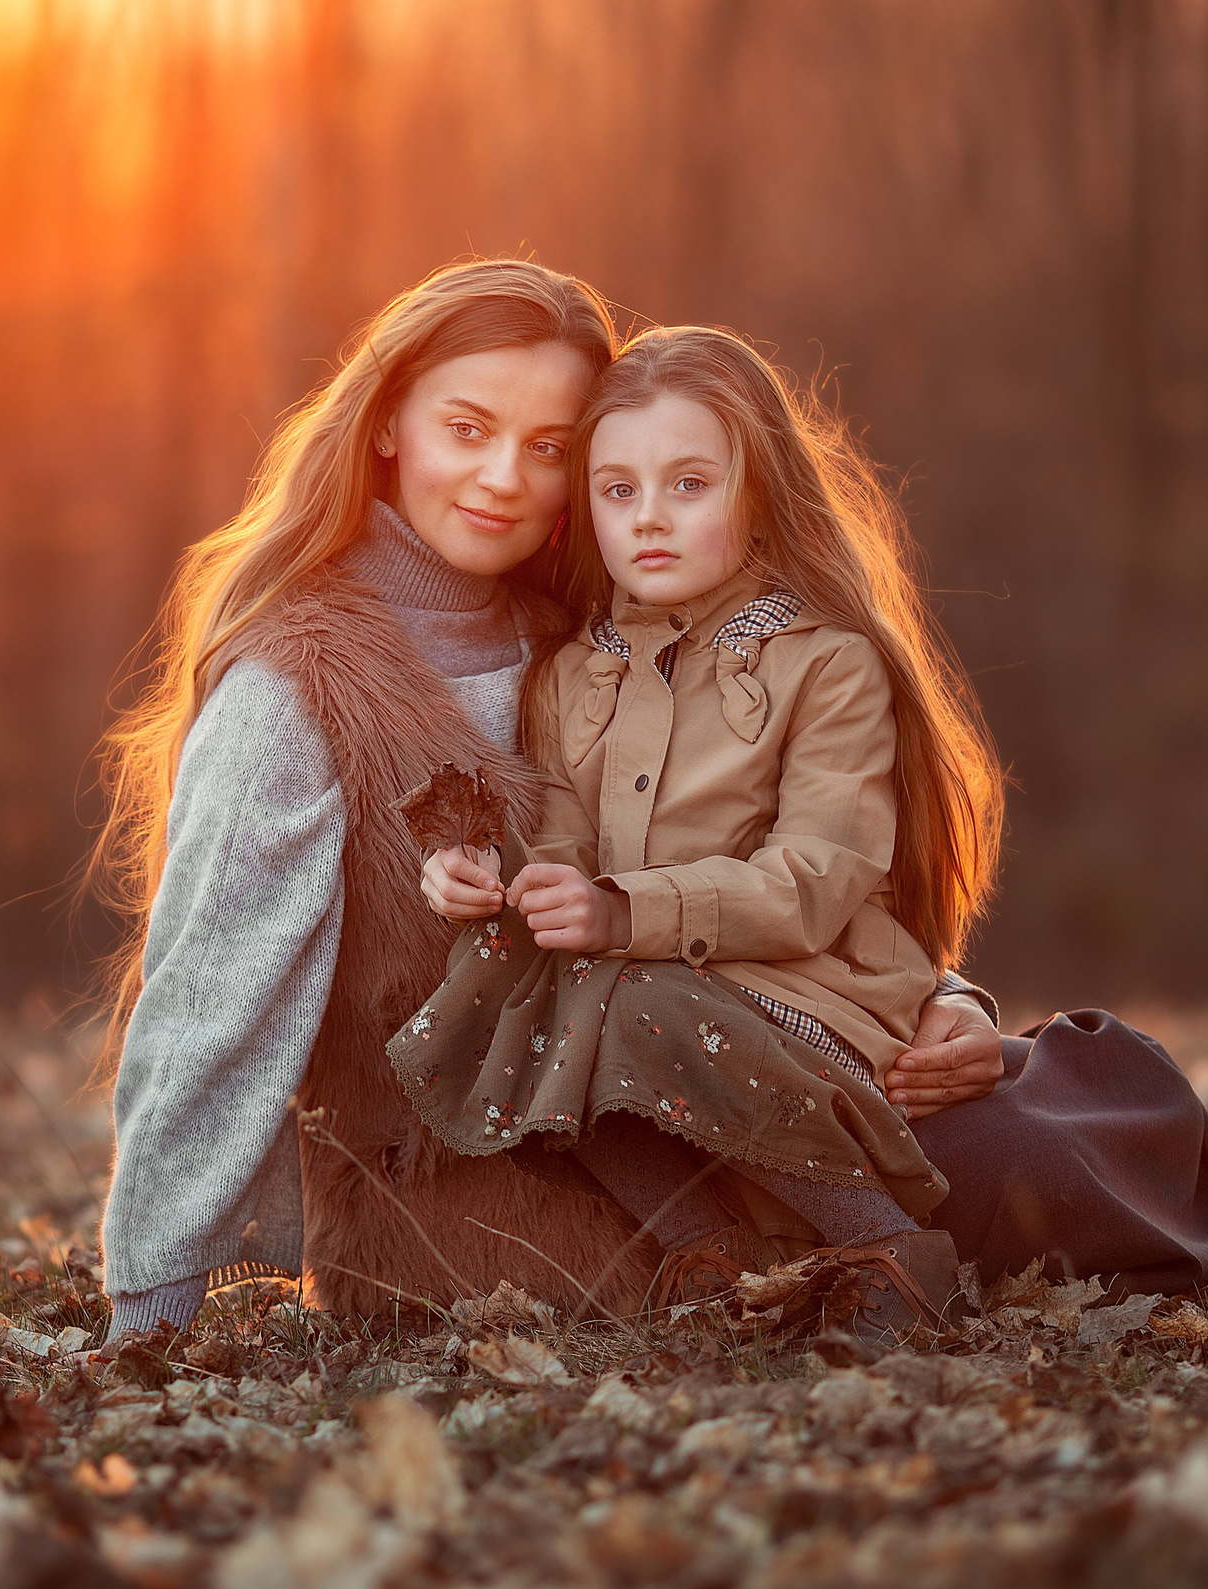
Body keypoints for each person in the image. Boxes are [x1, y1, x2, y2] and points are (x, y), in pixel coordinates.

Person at [89, 261, 1027, 1335]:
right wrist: (147, 1315)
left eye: (548, 450)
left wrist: (941, 1002)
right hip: (483, 1228)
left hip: (723, 1121)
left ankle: (903, 1233)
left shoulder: (586, 642)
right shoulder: (293, 688)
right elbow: (209, 1014)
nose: (502, 478)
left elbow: (766, 859)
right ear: (388, 422)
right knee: (987, 1192)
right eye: (469, 427)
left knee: (1042, 1127)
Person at [393, 327, 998, 1331]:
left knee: (617, 998)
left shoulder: (824, 664)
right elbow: (566, 850)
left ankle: (887, 1244)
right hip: (642, 988)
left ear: (756, 492)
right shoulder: (570, 676)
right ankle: (701, 1255)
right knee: (502, 989)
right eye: (618, 490)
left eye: (688, 485)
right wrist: (489, 878)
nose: (649, 520)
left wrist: (621, 913)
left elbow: (815, 877)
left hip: (802, 991)